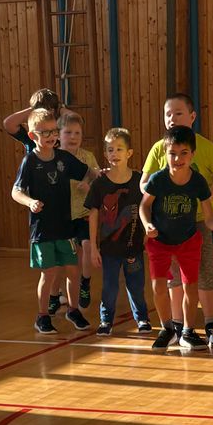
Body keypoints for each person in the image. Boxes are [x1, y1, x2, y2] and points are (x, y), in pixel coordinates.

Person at [141, 92, 213, 349]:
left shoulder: (206, 148)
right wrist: (154, 210)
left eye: (178, 113)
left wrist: (199, 195)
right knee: (172, 280)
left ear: (192, 117)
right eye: (168, 114)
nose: (172, 118)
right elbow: (145, 185)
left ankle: (211, 325)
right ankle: (177, 327)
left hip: (199, 222)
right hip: (167, 225)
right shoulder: (160, 149)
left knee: (203, 276)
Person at [10, 108, 89, 332]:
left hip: (65, 227)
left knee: (73, 270)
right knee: (50, 273)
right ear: (32, 135)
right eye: (45, 132)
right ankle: (42, 316)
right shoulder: (29, 161)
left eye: (54, 131)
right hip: (43, 230)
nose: (51, 136)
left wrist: (97, 178)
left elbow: (87, 173)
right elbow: (16, 191)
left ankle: (73, 310)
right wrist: (30, 202)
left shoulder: (64, 158)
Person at [2, 87, 74, 313]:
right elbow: (8, 123)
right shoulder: (32, 137)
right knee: (49, 260)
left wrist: (60, 110)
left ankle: (56, 294)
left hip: (60, 198)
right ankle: (51, 298)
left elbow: (76, 119)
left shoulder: (57, 134)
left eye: (52, 110)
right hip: (39, 199)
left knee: (63, 255)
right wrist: (33, 111)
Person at [85, 126, 152, 336]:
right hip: (109, 248)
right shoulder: (100, 184)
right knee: (109, 286)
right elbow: (93, 214)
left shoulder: (140, 180)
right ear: (105, 154)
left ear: (129, 153)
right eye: (110, 150)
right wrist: (93, 246)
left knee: (136, 285)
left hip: (134, 245)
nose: (114, 154)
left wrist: (148, 235)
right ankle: (106, 320)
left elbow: (148, 207)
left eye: (119, 149)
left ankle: (142, 318)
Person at [59, 109, 100, 308]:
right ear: (58, 135)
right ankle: (59, 293)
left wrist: (89, 185)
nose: (73, 137)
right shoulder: (55, 158)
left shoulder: (87, 157)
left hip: (83, 212)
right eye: (68, 133)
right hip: (63, 214)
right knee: (68, 256)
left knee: (87, 245)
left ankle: (85, 282)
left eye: (77, 133)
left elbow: (98, 179)